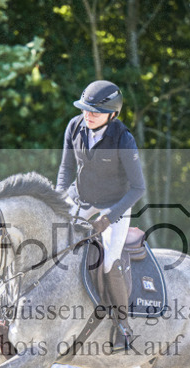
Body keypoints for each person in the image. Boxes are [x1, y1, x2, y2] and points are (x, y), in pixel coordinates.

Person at [56, 80, 146, 350]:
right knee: (52, 241)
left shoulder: (123, 139)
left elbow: (138, 188)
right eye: (85, 109)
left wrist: (107, 218)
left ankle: (123, 324)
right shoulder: (75, 126)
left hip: (114, 205)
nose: (88, 115)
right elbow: (65, 168)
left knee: (109, 260)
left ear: (113, 114)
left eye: (95, 111)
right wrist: (58, 200)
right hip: (79, 198)